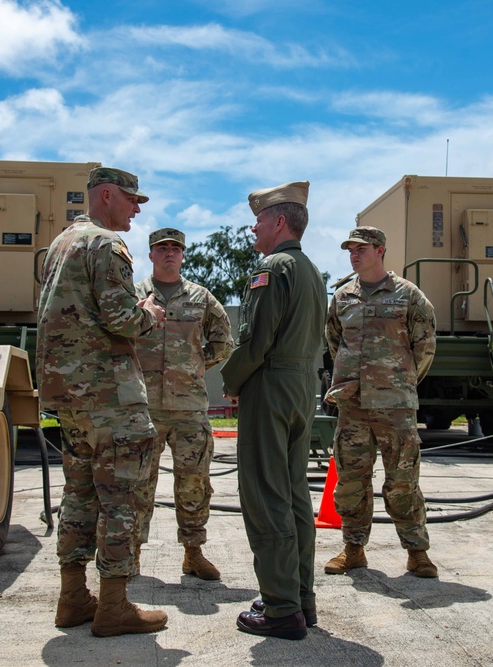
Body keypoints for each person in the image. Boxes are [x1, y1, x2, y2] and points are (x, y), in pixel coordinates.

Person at [36, 166, 168, 637]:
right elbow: (120, 319)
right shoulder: (106, 244)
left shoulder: (61, 243)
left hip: (69, 395)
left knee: (80, 494)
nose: (136, 209)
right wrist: (149, 312)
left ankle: (73, 598)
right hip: (109, 395)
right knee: (121, 498)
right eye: (132, 200)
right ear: (107, 195)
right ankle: (113, 606)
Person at [221, 181, 326, 641]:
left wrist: (231, 379)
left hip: (272, 386)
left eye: (260, 218)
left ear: (279, 222)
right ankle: (300, 598)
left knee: (266, 496)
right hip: (303, 386)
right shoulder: (310, 270)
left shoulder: (274, 266)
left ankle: (282, 609)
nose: (253, 226)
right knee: (294, 494)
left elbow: (255, 339)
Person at [322, 226, 439, 579]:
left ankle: (417, 552)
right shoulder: (342, 297)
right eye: (350, 250)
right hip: (353, 405)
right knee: (351, 480)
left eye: (361, 248)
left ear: (380, 250)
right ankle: (353, 549)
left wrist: (398, 383)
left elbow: (425, 347)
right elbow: (334, 341)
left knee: (403, 481)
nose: (354, 254)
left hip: (395, 406)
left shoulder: (408, 295)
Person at [133, 227, 234, 581]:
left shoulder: (201, 298)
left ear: (183, 254)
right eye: (162, 248)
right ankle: (132, 555)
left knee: (194, 483)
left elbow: (223, 341)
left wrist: (193, 365)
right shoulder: (134, 296)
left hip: (189, 407)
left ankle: (193, 553)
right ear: (151, 255)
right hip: (142, 406)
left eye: (175, 248)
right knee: (137, 484)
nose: (169, 254)